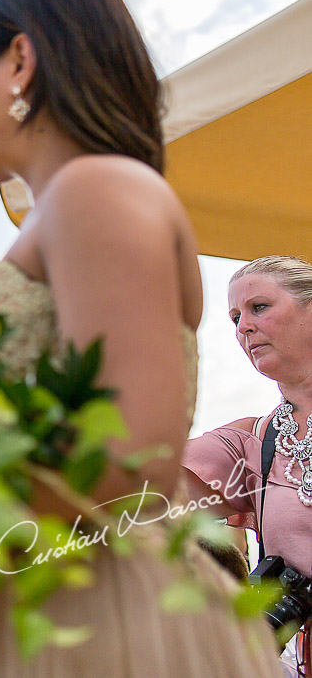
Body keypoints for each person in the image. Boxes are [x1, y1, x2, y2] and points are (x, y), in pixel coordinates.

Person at [0, 0, 279, 677]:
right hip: (52, 603)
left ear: (19, 58)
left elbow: (133, 463)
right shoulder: (78, 203)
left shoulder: (97, 188)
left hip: (102, 623)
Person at [184, 255, 312, 673]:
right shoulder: (251, 444)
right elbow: (136, 490)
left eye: (259, 308)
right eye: (235, 317)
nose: (243, 327)